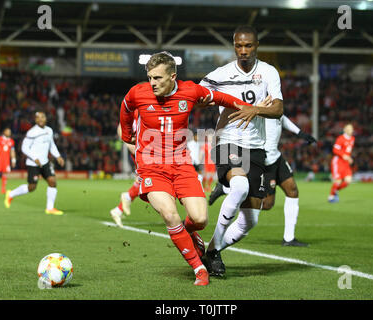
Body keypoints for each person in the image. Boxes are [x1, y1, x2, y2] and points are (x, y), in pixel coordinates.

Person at [119, 51, 273, 286]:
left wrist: (250, 108)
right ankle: (199, 268)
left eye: (158, 78)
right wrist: (128, 134)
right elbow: (126, 108)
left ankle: (187, 233)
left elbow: (221, 98)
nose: (152, 83)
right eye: (150, 77)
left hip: (181, 165)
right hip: (151, 167)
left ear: (173, 76)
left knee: (200, 219)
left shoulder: (189, 91)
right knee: (170, 214)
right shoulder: (137, 92)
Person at [198, 25, 284, 276]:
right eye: (239, 46)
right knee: (241, 187)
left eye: (248, 46)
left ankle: (211, 251)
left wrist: (254, 109)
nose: (243, 50)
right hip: (228, 140)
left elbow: (278, 108)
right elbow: (199, 95)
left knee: (250, 221)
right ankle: (212, 254)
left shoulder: (268, 72)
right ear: (234, 46)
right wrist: (207, 100)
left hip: (255, 145)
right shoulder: (221, 74)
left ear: (256, 46)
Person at [209, 114, 316, 247]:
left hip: (276, 156)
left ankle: (289, 238)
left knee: (292, 190)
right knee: (266, 204)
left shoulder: (274, 103)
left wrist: (299, 132)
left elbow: (282, 118)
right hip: (263, 159)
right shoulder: (258, 103)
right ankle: (225, 188)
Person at [4, 111, 65, 215]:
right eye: (38, 118)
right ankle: (11, 194)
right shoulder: (32, 132)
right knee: (32, 187)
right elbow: (24, 147)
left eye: (42, 117)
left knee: (52, 182)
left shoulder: (49, 130)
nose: (40, 119)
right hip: (33, 163)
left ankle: (50, 208)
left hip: (45, 162)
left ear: (46, 118)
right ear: (35, 120)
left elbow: (52, 145)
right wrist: (34, 157)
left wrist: (58, 156)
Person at [110, 121, 141, 228]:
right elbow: (121, 126)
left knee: (146, 181)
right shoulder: (136, 109)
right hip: (142, 150)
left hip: (146, 149)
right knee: (151, 181)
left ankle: (118, 210)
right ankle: (126, 197)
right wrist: (128, 144)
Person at [328, 123, 355, 203]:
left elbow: (348, 151)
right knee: (338, 181)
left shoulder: (352, 139)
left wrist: (349, 158)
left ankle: (335, 190)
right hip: (338, 162)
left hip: (345, 163)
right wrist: (343, 155)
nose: (351, 130)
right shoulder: (340, 138)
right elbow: (335, 150)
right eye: (349, 129)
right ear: (345, 130)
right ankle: (331, 196)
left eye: (352, 129)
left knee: (348, 181)